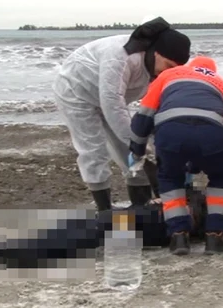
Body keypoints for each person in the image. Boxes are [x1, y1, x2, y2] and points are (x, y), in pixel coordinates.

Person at [52, 17, 191, 212]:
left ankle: (141, 208)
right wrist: (138, 144)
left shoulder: (159, 69)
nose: (168, 72)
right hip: (76, 91)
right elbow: (112, 102)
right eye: (168, 66)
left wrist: (161, 146)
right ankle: (104, 210)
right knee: (94, 151)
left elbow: (156, 109)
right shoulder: (121, 56)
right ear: (156, 53)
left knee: (130, 153)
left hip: (115, 98)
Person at [0, 188, 223, 270]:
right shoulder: (222, 211)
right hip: (149, 221)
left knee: (96, 229)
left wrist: (180, 202)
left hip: (150, 223)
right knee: (95, 227)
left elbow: (193, 214)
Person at [129, 56, 223, 256]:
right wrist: (197, 161)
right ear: (213, 71)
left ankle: (178, 236)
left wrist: (137, 149)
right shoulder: (221, 83)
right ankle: (217, 235)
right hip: (213, 133)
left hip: (171, 131)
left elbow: (143, 115)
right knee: (222, 176)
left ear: (190, 67)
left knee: (170, 178)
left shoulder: (169, 74)